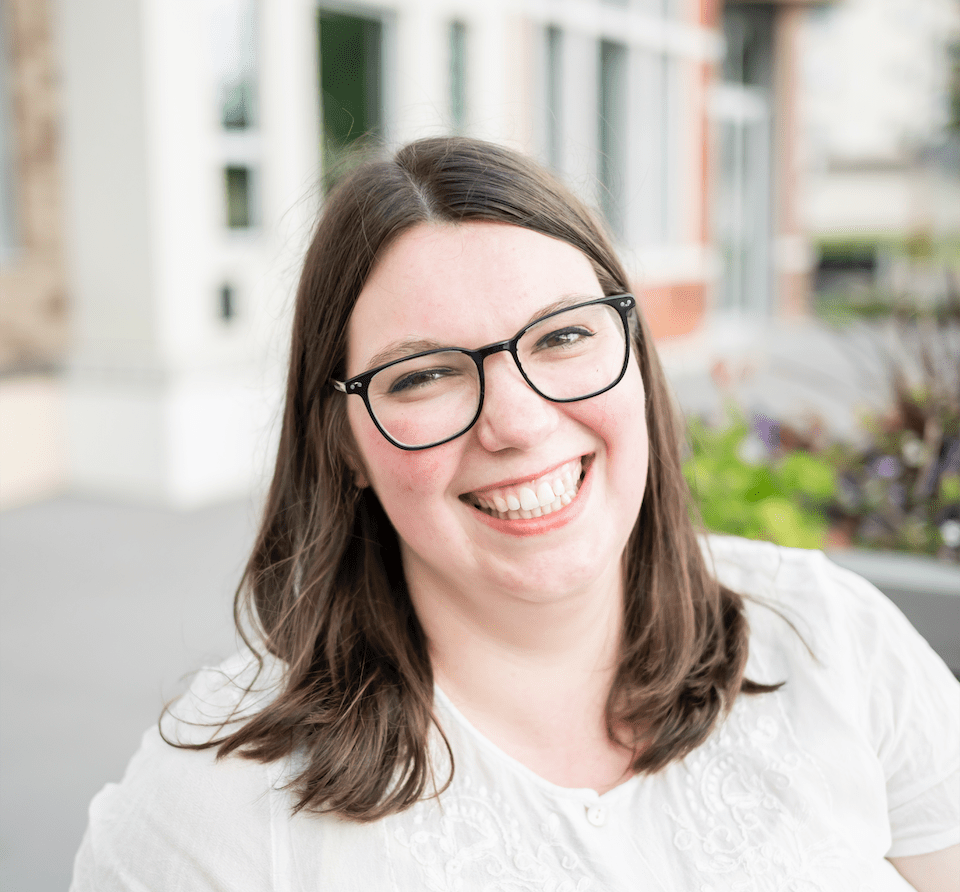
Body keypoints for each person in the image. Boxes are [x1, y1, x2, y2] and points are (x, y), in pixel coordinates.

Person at [71, 137, 959, 891]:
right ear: (342, 445)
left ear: (635, 357)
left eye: (564, 335)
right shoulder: (210, 809)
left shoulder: (826, 637)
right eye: (421, 375)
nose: (517, 423)